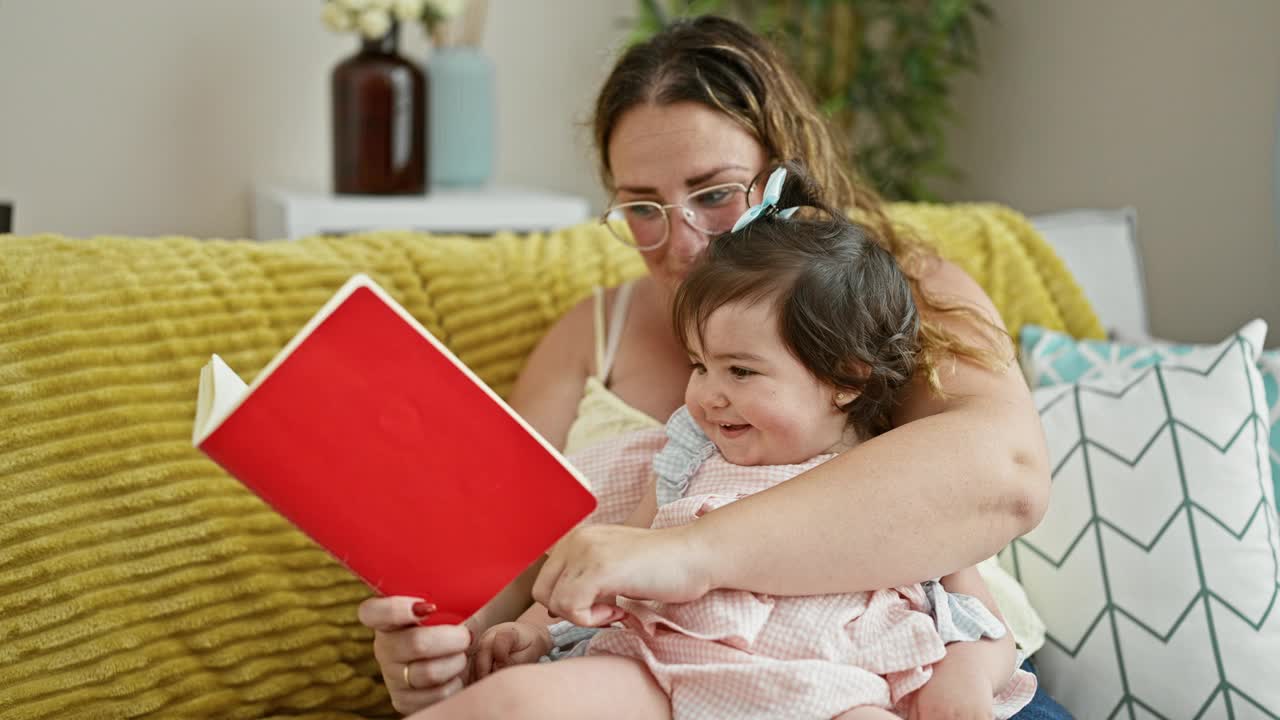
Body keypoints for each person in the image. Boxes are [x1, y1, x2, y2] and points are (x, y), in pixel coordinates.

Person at [358, 15, 1070, 719]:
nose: (685, 244)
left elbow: (1003, 477)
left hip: (913, 679)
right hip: (647, 673)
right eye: (642, 207)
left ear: (787, 171)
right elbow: (496, 576)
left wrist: (687, 555)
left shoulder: (896, 297)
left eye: (715, 193)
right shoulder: (590, 336)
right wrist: (443, 654)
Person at [431, 164, 1039, 720]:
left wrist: (963, 685)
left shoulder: (894, 478)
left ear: (847, 377)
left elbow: (979, 622)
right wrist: (539, 629)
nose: (707, 395)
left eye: (740, 372)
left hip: (830, 694)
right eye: (700, 365)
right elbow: (616, 558)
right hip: (662, 672)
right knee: (513, 702)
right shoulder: (691, 453)